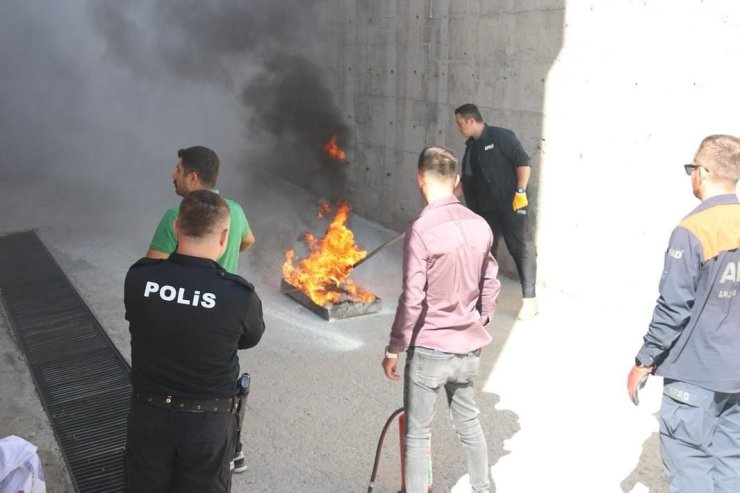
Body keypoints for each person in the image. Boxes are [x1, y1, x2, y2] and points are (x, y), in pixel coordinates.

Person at [124, 190, 265, 492]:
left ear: (176, 227)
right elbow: (249, 338)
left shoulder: (138, 278)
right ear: (226, 236)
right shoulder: (239, 296)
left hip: (148, 414)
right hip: (208, 426)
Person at [382, 146, 501, 493]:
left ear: (420, 179)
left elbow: (412, 297)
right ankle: (482, 488)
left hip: (430, 349)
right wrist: (481, 325)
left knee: (418, 433)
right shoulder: (480, 225)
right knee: (470, 424)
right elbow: (490, 284)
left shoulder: (421, 229)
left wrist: (394, 347)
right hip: (467, 348)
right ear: (457, 181)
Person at [627, 135, 740, 493]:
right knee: (730, 466)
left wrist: (644, 361)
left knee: (689, 467)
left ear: (704, 172)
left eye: (692, 169)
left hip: (696, 376)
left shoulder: (694, 229)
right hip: (736, 375)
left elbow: (673, 307)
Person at [454, 103, 538, 320]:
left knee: (517, 249)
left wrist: (520, 191)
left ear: (471, 120)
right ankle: (484, 297)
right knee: (484, 253)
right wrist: (447, 199)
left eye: (460, 123)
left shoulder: (501, 137)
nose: (458, 127)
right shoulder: (471, 149)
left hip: (511, 205)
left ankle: (530, 300)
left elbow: (523, 162)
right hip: (486, 211)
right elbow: (467, 181)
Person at [147, 146, 255, 275]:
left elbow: (150, 272)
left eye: (178, 170)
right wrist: (225, 252)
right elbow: (249, 241)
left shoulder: (177, 216)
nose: (173, 175)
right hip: (223, 294)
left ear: (192, 178)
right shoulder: (236, 211)